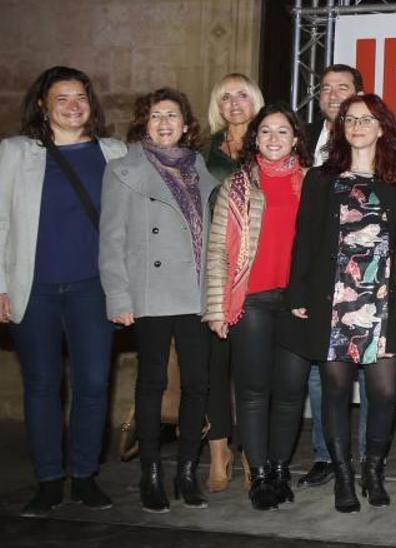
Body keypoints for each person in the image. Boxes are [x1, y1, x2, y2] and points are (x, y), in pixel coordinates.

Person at [0, 66, 126, 517]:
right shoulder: (15, 153)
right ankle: (49, 480)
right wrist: (0, 285)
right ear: (42, 105)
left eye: (81, 98)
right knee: (41, 385)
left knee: (93, 384)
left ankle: (86, 476)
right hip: (34, 289)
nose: (74, 106)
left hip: (94, 288)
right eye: (62, 99)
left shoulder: (113, 153)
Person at [284, 94, 396, 513]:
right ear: (341, 128)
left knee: (385, 390)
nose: (357, 125)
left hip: (383, 300)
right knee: (335, 388)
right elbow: (305, 238)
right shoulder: (322, 178)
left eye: (366, 119)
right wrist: (297, 292)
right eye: (350, 119)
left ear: (381, 127)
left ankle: (374, 469)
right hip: (332, 298)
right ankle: (343, 476)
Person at [99, 87, 217, 513]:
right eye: (155, 116)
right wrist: (118, 295)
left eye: (172, 115)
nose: (164, 123)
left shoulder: (200, 169)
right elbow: (110, 240)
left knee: (197, 385)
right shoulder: (123, 170)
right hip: (150, 293)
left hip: (197, 294)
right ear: (143, 124)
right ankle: (150, 473)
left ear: (187, 125)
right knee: (151, 385)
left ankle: (187, 471)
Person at [203, 104, 314, 511]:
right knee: (252, 393)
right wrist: (217, 308)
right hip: (250, 300)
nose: (273, 139)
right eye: (265, 131)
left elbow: (323, 250)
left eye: (282, 132)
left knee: (290, 392)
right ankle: (260, 475)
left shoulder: (313, 182)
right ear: (255, 137)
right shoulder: (236, 185)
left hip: (298, 304)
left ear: (296, 138)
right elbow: (217, 252)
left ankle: (280, 469)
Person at [297, 63, 369, 491]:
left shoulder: (377, 140)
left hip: (362, 276)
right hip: (317, 272)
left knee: (363, 372)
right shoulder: (300, 139)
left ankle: (362, 458)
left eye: (344, 87)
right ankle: (326, 456)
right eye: (326, 88)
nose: (334, 94)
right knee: (318, 374)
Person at [202, 72, 266, 493]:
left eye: (242, 95)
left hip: (256, 273)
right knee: (212, 366)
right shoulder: (201, 155)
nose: (235, 103)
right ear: (217, 107)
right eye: (225, 97)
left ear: (255, 100)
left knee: (251, 370)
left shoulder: (270, 145)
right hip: (211, 270)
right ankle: (218, 452)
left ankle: (250, 450)